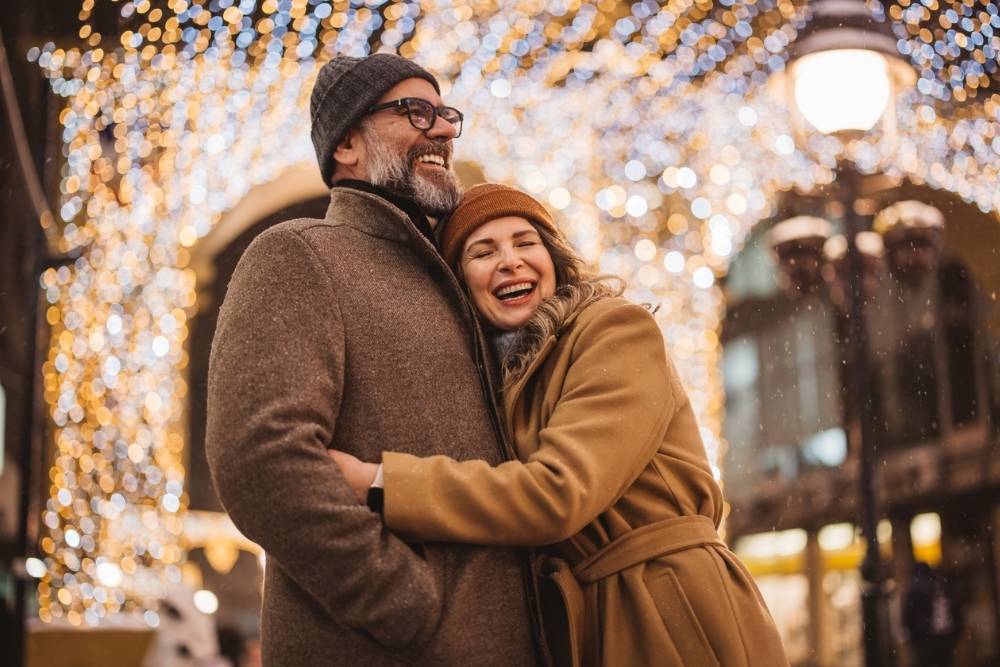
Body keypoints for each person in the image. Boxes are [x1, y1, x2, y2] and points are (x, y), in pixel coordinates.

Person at [331, 183, 790, 667]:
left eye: (526, 242)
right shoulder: (496, 380)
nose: (510, 261)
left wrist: (378, 482)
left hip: (668, 605)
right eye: (483, 252)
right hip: (588, 614)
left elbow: (558, 493)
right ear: (460, 286)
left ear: (554, 257)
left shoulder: (612, 331)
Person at [206, 56, 542, 666]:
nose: (440, 129)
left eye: (445, 115)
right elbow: (261, 460)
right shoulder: (299, 257)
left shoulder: (461, 283)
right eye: (414, 112)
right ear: (348, 145)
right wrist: (407, 603)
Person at [903, 562, 962, 667]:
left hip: (933, 640)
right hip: (933, 640)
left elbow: (908, 618)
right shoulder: (922, 591)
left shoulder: (917, 591)